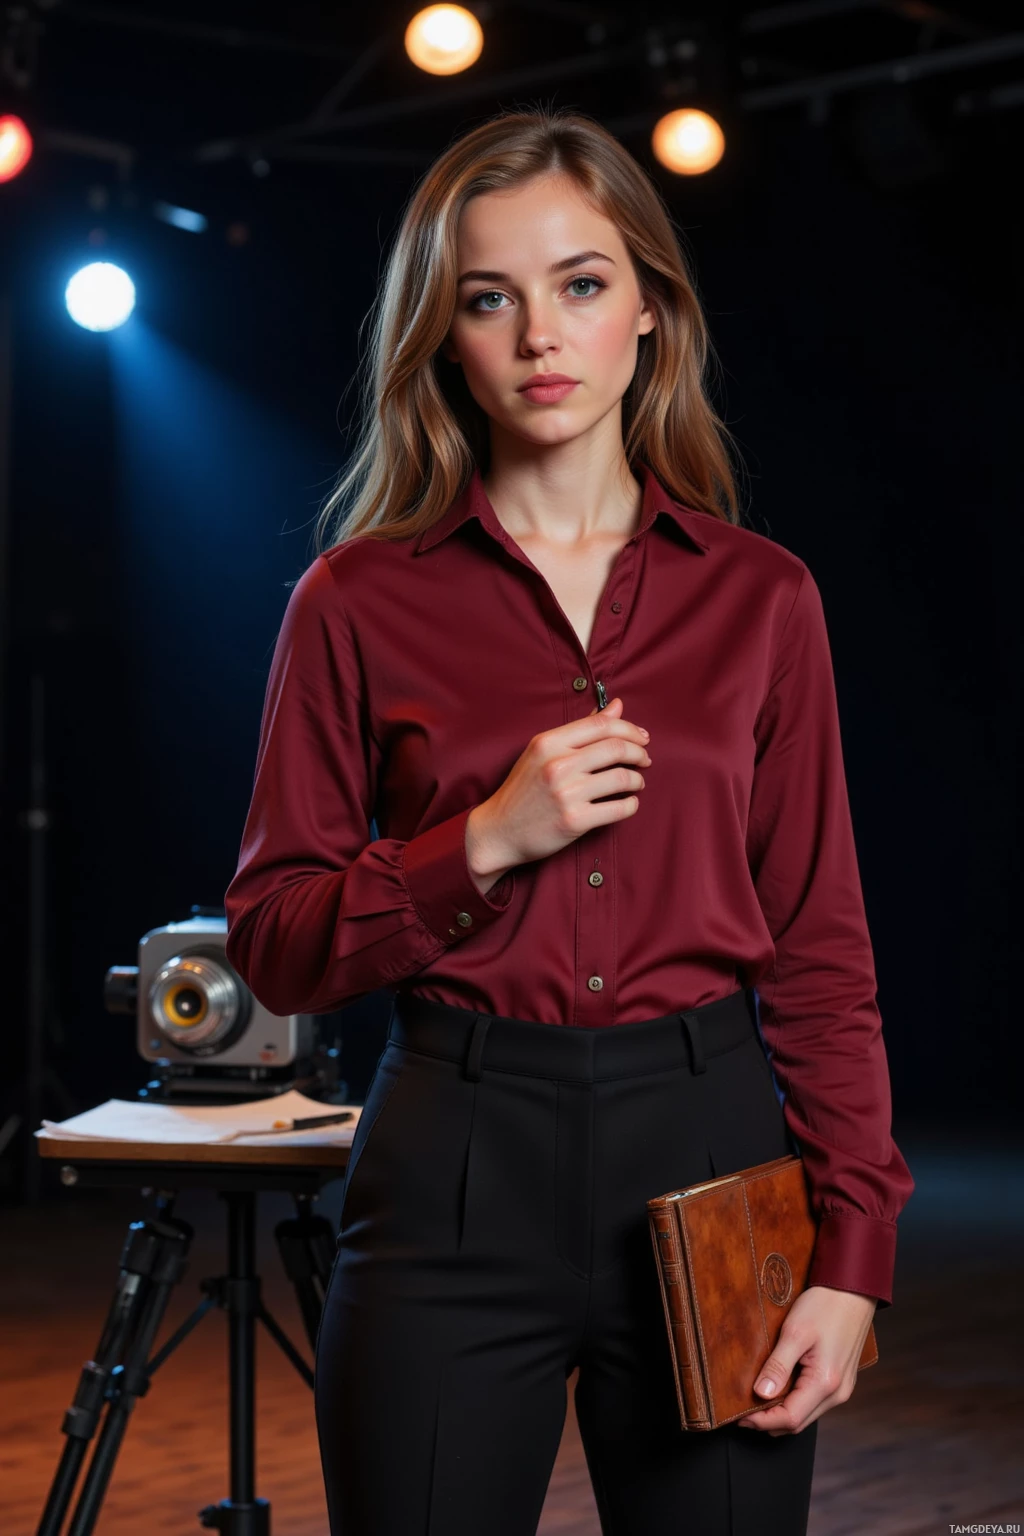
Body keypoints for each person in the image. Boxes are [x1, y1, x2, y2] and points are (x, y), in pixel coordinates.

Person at [223, 107, 914, 1536]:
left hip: (715, 1150)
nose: (543, 334)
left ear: (650, 311)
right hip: (449, 1174)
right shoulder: (353, 602)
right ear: (445, 338)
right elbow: (277, 947)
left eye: (582, 285)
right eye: (492, 298)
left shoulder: (764, 599)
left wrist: (852, 1258)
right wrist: (477, 840)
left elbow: (822, 956)